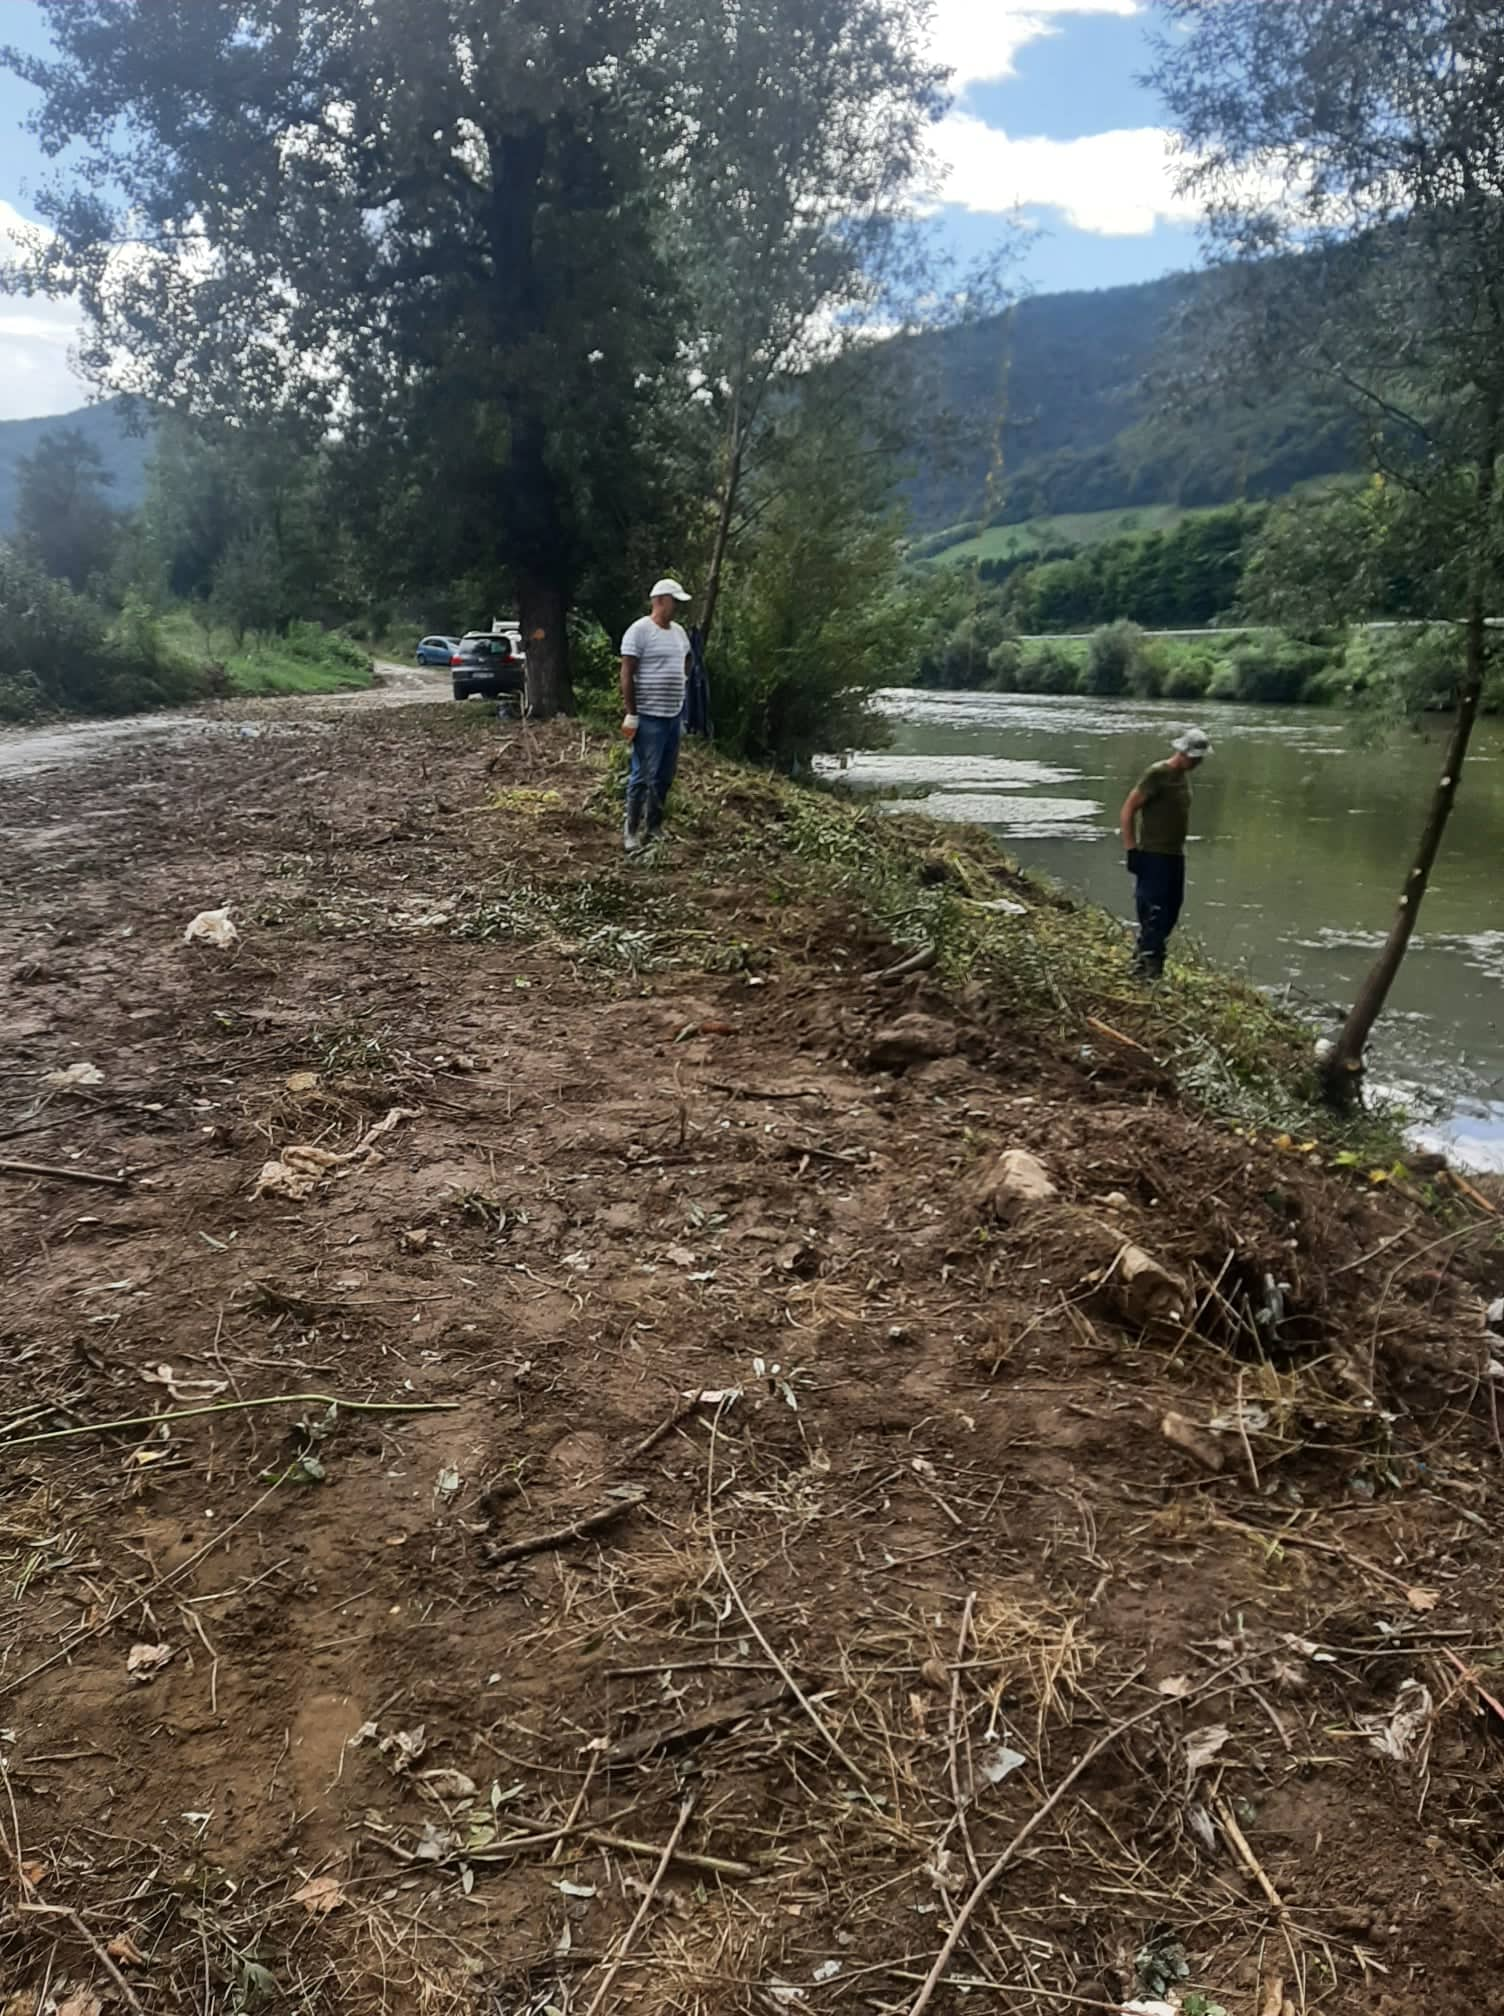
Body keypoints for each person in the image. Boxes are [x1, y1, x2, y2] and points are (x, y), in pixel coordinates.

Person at [1118, 727, 1213, 978]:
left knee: (1171, 910)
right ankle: (1148, 969)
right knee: (1154, 912)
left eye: (1200, 759)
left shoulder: (1183, 776)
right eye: (1194, 758)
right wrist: (1131, 850)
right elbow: (1128, 810)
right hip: (1153, 855)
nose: (1198, 763)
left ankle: (1147, 960)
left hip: (1174, 855)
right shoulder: (1157, 774)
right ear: (1182, 752)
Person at [620, 578, 692, 853]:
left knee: (664, 775)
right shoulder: (639, 631)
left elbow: (687, 659)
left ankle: (654, 826)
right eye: (675, 602)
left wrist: (680, 681)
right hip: (648, 717)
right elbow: (627, 672)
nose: (677, 609)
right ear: (660, 600)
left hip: (673, 716)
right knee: (642, 775)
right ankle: (631, 832)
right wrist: (631, 714)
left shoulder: (679, 633)